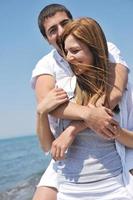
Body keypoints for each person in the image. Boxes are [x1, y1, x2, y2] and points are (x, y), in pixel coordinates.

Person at [31, 3, 129, 200]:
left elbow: (115, 91)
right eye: (52, 31)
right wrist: (87, 117)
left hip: (116, 154)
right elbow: (50, 107)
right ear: (46, 39)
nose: (60, 32)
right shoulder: (46, 65)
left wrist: (74, 128)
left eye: (64, 23)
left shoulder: (106, 48)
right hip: (68, 161)